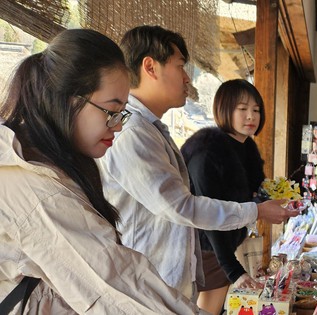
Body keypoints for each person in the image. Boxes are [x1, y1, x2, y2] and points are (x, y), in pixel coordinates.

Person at [0, 29, 200, 314]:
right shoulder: (34, 186)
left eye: (122, 112)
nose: (118, 125)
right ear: (68, 99)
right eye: (111, 110)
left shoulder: (40, 160)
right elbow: (114, 285)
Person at [96, 25, 298, 300]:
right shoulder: (133, 133)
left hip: (162, 281)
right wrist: (257, 212)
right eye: (180, 66)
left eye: (255, 110)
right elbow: (182, 206)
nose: (187, 78)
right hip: (148, 286)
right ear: (150, 67)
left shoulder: (150, 128)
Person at [180, 79, 266, 314]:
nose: (251, 116)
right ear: (224, 109)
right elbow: (208, 215)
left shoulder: (246, 148)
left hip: (225, 245)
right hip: (206, 249)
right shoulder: (207, 152)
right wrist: (232, 269)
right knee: (208, 310)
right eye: (242, 109)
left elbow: (246, 196)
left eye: (256, 110)